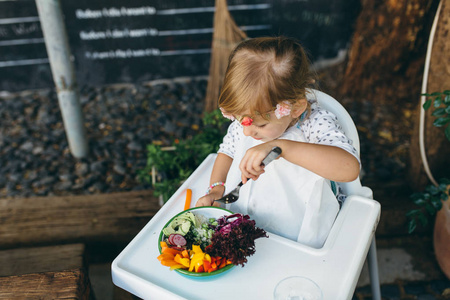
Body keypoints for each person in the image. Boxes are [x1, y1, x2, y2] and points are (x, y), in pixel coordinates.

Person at [195, 36, 360, 248]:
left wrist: (283, 148)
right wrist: (217, 189)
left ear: (296, 108)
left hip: (300, 237)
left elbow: (349, 169)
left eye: (261, 126)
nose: (246, 131)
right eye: (239, 120)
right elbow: (226, 152)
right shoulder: (248, 122)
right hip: (244, 227)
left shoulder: (314, 124)